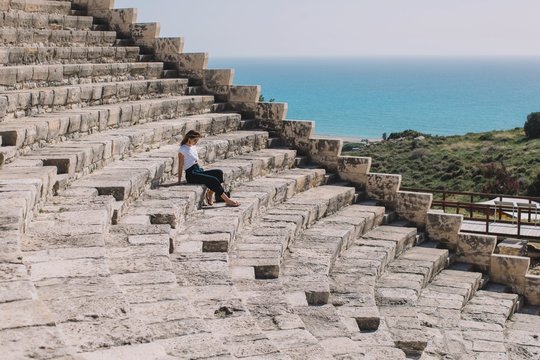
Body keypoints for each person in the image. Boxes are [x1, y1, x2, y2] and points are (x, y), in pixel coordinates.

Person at [177, 130, 240, 207]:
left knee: (218, 172)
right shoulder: (182, 149)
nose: (196, 142)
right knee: (213, 179)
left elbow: (195, 161)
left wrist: (201, 171)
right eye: (195, 140)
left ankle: (211, 193)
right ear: (189, 138)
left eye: (197, 140)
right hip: (191, 174)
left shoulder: (193, 147)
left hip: (197, 170)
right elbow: (180, 165)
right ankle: (227, 200)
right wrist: (179, 180)